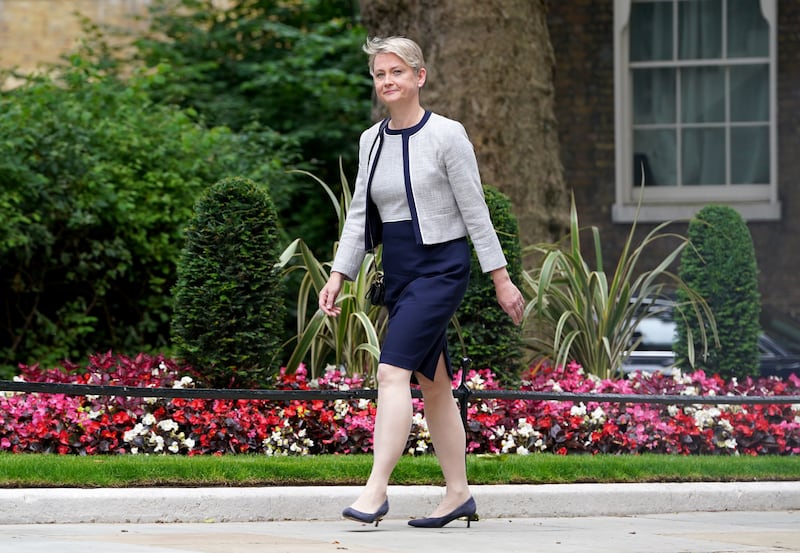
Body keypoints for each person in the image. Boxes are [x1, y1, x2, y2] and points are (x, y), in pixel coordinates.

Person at [318, 36, 525, 529]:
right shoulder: (371, 140)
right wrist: (337, 273)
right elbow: (358, 215)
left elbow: (476, 211)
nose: (387, 81)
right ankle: (458, 494)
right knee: (435, 387)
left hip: (443, 267)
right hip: (400, 269)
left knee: (392, 372)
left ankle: (375, 491)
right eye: (379, 74)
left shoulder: (448, 135)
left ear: (419, 76)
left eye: (397, 72)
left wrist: (500, 278)